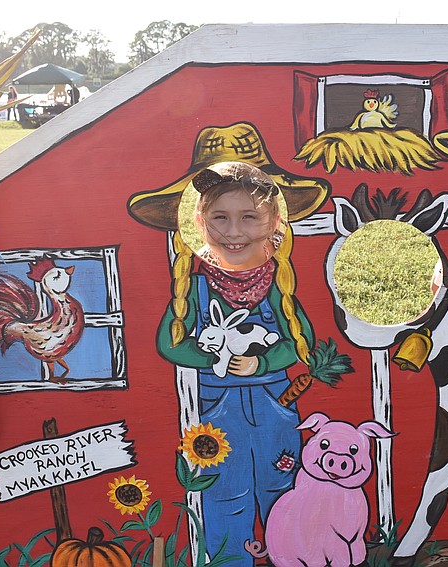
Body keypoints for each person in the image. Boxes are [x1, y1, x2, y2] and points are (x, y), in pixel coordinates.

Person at [156, 161, 315, 567]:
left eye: (249, 217)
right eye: (220, 218)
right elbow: (170, 344)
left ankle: (291, 557)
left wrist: (260, 364)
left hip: (274, 405)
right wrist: (216, 356)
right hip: (216, 410)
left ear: (274, 222)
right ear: (200, 222)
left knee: (283, 487)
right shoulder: (195, 286)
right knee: (225, 491)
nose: (233, 232)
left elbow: (301, 342)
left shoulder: (277, 282)